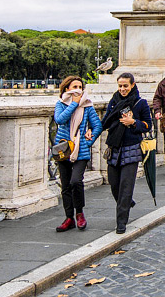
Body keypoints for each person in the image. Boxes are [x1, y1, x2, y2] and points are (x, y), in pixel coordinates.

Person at [101, 73, 152, 234]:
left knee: (126, 186)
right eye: (120, 86)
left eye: (125, 86)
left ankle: (121, 222)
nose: (122, 89)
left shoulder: (140, 103)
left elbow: (148, 126)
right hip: (114, 147)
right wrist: (90, 131)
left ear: (132, 85)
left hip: (132, 148)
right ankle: (127, 202)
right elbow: (105, 122)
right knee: (114, 184)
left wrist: (133, 122)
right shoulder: (114, 101)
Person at [53, 76, 103, 231]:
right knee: (66, 185)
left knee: (76, 181)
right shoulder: (61, 104)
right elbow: (60, 120)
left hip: (80, 151)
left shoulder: (87, 105)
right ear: (67, 88)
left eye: (80, 87)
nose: (78, 90)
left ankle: (79, 213)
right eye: (74, 86)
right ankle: (69, 218)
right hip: (63, 150)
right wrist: (74, 104)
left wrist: (88, 141)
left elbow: (97, 126)